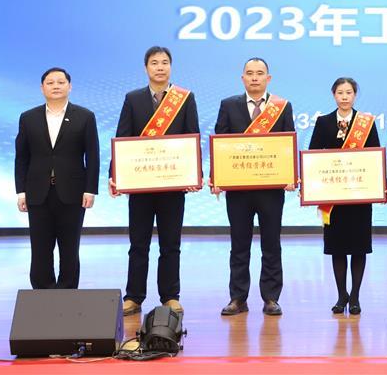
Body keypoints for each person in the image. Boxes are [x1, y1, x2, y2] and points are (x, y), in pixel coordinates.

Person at [110, 46, 200, 316]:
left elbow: (192, 136)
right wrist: (115, 175)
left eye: (164, 62)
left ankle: (170, 296)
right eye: (154, 63)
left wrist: (194, 173)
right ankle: (134, 297)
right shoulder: (133, 99)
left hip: (173, 184)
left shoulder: (184, 99)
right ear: (146, 68)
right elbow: (123, 137)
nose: (160, 67)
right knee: (138, 244)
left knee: (171, 244)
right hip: (141, 185)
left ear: (171, 67)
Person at [214, 58, 295, 317]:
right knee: (239, 244)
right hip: (238, 190)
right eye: (249, 73)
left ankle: (271, 297)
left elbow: (288, 143)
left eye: (260, 73)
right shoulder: (229, 105)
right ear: (243, 78)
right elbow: (220, 143)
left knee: (271, 243)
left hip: (271, 190)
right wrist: (217, 177)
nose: (255, 78)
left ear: (268, 78)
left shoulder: (282, 107)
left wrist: (291, 175)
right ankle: (238, 298)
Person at [15, 67, 99, 290]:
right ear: (42, 88)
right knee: (40, 248)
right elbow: (21, 157)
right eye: (50, 82)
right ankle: (43, 293)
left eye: (61, 82)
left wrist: (90, 189)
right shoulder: (28, 118)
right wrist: (21, 191)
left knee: (69, 248)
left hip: (73, 192)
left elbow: (93, 155)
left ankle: (67, 292)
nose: (56, 86)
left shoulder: (85, 116)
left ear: (69, 87)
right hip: (37, 192)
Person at [308, 77, 381, 315]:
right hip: (334, 198)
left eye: (349, 92)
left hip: (360, 196)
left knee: (359, 247)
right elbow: (313, 156)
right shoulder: (323, 122)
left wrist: (382, 184)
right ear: (334, 95)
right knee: (337, 248)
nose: (344, 97)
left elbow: (375, 157)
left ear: (355, 95)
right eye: (340, 93)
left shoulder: (366, 123)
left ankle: (356, 297)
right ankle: (342, 296)